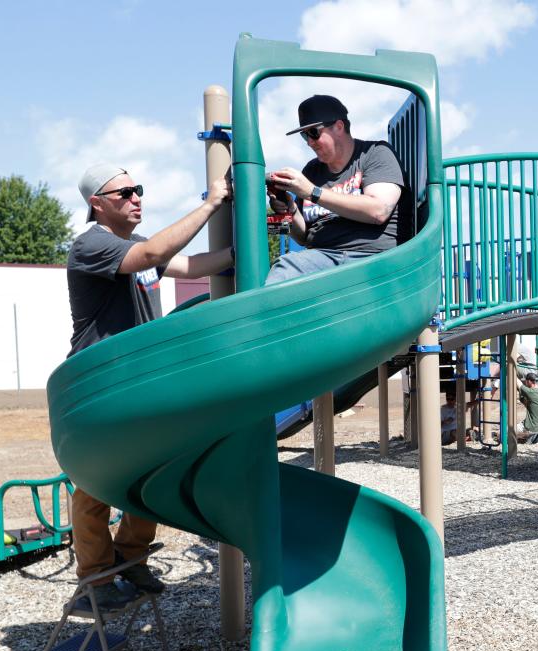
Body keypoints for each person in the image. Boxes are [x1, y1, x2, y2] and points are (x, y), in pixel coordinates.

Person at [66, 162, 234, 609]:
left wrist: (249, 245)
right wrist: (211, 202)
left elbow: (195, 263)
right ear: (96, 204)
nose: (136, 197)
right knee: (95, 483)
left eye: (138, 188)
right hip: (99, 384)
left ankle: (132, 558)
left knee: (148, 474)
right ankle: (95, 581)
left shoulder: (138, 246)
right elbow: (150, 257)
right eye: (123, 193)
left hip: (136, 382)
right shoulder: (92, 245)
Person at [265, 95, 410, 284]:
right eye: (305, 136)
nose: (309, 142)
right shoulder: (312, 170)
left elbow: (379, 210)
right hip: (322, 258)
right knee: (282, 270)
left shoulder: (375, 153)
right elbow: (302, 238)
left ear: (339, 127)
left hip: (372, 257)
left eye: (314, 132)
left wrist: (312, 192)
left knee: (286, 270)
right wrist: (287, 210)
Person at [513, 348, 538, 445]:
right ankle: (534, 435)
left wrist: (509, 365)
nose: (525, 382)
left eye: (526, 381)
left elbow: (517, 381)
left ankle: (525, 436)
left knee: (505, 432)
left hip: (529, 428)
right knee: (525, 401)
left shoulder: (530, 392)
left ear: (529, 381)